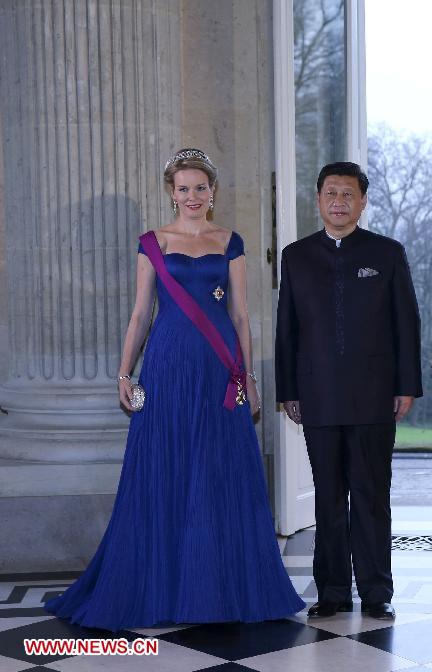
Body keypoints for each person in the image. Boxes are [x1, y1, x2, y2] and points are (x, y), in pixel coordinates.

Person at [45, 148, 304, 630]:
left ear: (212, 192)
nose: (192, 196)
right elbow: (141, 314)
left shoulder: (231, 241)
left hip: (219, 368)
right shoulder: (152, 243)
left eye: (200, 188)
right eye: (182, 189)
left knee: (219, 470)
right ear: (171, 192)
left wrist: (247, 376)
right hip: (166, 367)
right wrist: (125, 373)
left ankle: (222, 587)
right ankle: (160, 584)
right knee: (164, 468)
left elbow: (241, 315)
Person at [275, 161, 422, 621]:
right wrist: (288, 389)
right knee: (328, 498)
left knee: (372, 496)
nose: (339, 202)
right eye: (330, 193)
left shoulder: (387, 253)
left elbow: (406, 324)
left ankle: (377, 591)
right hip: (317, 396)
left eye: (348, 194)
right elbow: (287, 329)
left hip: (375, 395)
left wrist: (407, 386)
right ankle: (333, 592)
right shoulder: (296, 256)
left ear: (362, 201)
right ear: (318, 200)